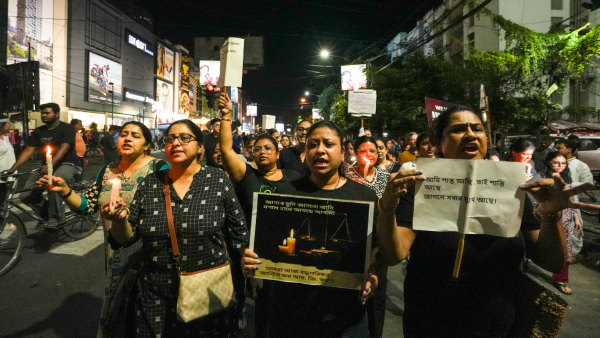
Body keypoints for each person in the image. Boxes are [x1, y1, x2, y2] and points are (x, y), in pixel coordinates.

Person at [377, 105, 598, 337]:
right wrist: (387, 207)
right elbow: (394, 255)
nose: (471, 134)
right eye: (459, 129)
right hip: (431, 322)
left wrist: (551, 214)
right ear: (436, 140)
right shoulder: (419, 186)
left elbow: (553, 262)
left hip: (498, 324)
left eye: (477, 129)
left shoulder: (512, 185)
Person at [102, 119, 249, 337]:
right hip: (155, 290)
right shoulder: (151, 183)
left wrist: (253, 271)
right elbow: (126, 238)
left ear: (200, 147)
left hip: (207, 287)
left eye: (184, 138)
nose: (176, 143)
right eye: (170, 139)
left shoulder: (217, 179)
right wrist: (119, 220)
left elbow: (239, 231)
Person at [242, 120, 379, 337]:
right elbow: (268, 247)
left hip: (346, 318)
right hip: (291, 316)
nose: (320, 150)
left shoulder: (364, 197)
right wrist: (252, 261)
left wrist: (373, 272)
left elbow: (375, 251)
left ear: (343, 152)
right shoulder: (284, 194)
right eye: (313, 144)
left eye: (328, 144)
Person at [38, 121, 168, 336]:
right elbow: (87, 206)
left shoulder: (159, 169)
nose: (126, 138)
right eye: (124, 134)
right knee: (120, 314)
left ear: (147, 145)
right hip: (115, 255)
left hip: (149, 257)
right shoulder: (108, 170)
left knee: (147, 315)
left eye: (135, 135)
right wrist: (64, 190)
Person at [218, 93, 301, 336]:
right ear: (251, 155)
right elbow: (225, 148)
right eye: (257, 149)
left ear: (278, 153)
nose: (262, 151)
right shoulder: (248, 177)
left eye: (268, 148)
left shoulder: (294, 178)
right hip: (257, 256)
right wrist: (226, 116)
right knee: (265, 317)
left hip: (292, 255)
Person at [3, 103, 80, 231]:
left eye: (47, 113)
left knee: (53, 183)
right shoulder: (39, 131)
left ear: (57, 114)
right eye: (42, 113)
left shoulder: (67, 128)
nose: (44, 115)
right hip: (46, 166)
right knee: (25, 195)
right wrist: (11, 169)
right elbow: (28, 151)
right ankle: (46, 213)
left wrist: (50, 165)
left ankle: (54, 217)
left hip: (68, 164)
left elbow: (64, 148)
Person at [346, 136, 390, 338]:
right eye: (362, 151)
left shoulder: (385, 176)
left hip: (379, 241)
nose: (368, 155)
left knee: (378, 292)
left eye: (372, 151)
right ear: (355, 153)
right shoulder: (347, 176)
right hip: (355, 241)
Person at [541, 151, 580, 295]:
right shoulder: (543, 178)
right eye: (556, 162)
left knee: (565, 249)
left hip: (567, 218)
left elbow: (570, 200)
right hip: (550, 218)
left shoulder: (566, 177)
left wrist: (575, 216)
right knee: (546, 245)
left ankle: (560, 279)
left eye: (563, 163)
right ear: (548, 162)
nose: (560, 166)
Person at [555, 139, 593, 262]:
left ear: (569, 150)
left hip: (572, 202)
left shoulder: (580, 165)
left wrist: (569, 186)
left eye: (559, 148)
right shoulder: (555, 163)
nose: (556, 150)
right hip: (555, 201)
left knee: (574, 229)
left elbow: (588, 183)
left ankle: (571, 253)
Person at [0, 118, 17, 204]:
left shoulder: (6, 137)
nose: (9, 125)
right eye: (8, 123)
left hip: (9, 172)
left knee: (5, 199)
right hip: (1, 173)